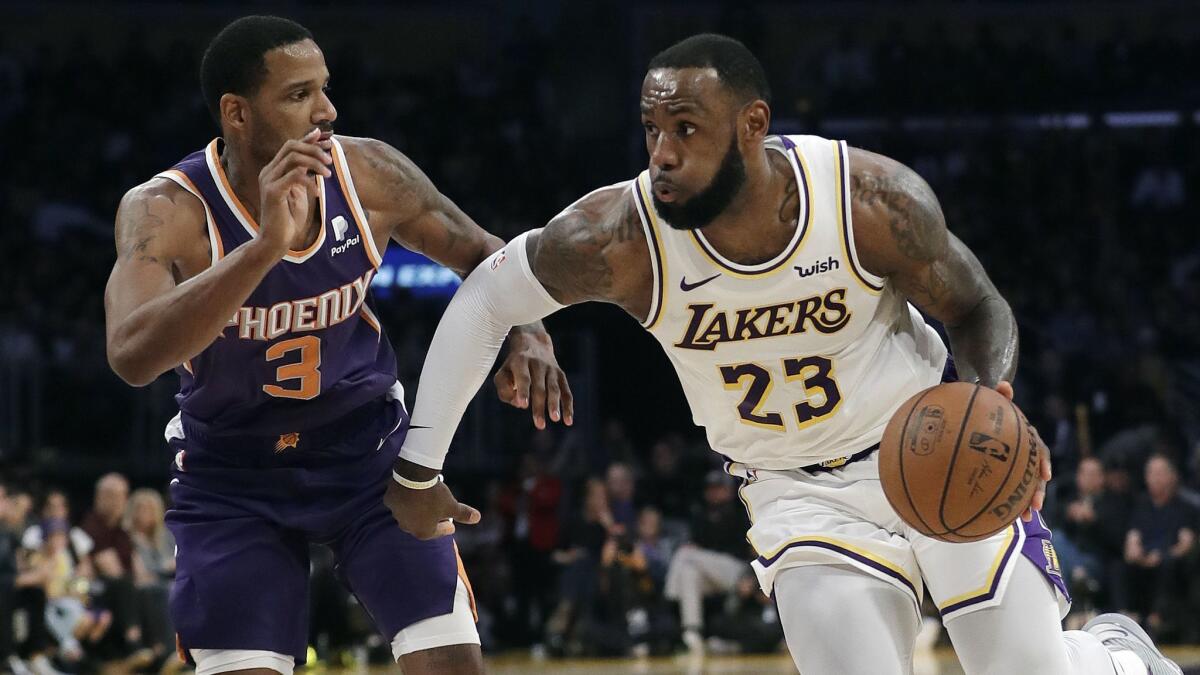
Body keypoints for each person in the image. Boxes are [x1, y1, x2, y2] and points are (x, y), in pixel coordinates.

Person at [393, 33, 1180, 675]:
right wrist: (418, 467)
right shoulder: (620, 236)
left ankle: (1114, 655)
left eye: (686, 130)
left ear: (752, 125)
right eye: (651, 128)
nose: (661, 152)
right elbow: (487, 298)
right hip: (799, 499)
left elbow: (977, 305)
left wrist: (991, 401)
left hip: (929, 447)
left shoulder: (869, 201)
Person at [102, 15, 570, 675]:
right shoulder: (166, 210)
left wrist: (530, 329)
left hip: (366, 458)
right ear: (237, 113)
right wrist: (263, 248)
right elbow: (129, 354)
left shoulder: (368, 172)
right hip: (232, 477)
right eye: (298, 95)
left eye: (324, 89)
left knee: (452, 664)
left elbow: (486, 254)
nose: (327, 110)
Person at [664, 470, 750, 654]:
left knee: (684, 555)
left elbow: (752, 550)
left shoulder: (741, 512)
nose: (714, 493)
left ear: (728, 490)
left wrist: (752, 578)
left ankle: (670, 594)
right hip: (709, 573)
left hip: (737, 572)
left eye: (719, 488)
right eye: (711, 489)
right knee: (688, 571)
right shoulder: (700, 516)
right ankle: (692, 631)